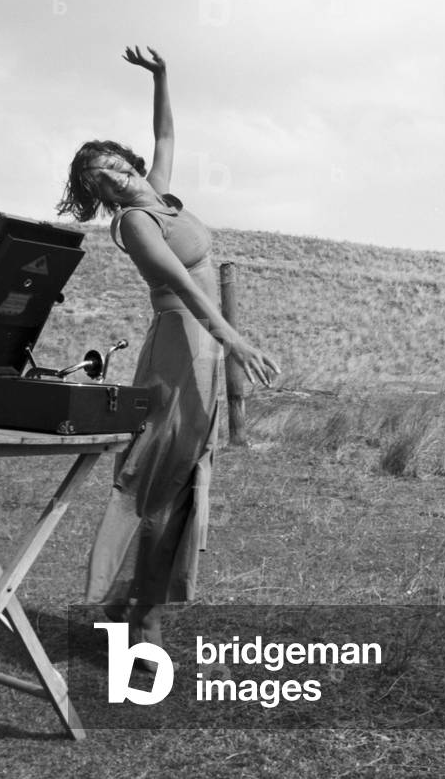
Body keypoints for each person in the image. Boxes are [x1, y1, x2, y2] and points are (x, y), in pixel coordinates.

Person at [57, 45, 280, 656]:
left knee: (184, 477)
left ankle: (143, 610)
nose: (115, 177)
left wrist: (162, 77)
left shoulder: (157, 195)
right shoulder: (132, 222)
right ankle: (117, 607)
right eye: (99, 178)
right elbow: (180, 284)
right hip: (181, 348)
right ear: (97, 192)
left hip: (202, 349)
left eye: (115, 165)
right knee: (156, 475)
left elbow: (166, 133)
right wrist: (234, 339)